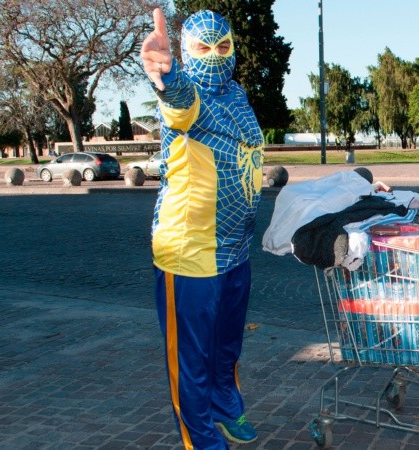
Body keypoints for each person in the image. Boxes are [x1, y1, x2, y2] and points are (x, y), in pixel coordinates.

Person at [140, 7, 264, 450]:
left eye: (223, 46)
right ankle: (200, 437)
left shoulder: (237, 95)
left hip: (235, 249)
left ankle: (225, 406)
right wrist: (165, 74)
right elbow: (179, 101)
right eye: (202, 47)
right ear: (187, 53)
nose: (214, 55)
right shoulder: (189, 96)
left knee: (227, 344)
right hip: (190, 253)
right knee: (191, 358)